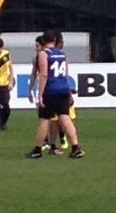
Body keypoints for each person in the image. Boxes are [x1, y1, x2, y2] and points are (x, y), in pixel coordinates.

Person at [26, 30, 85, 159]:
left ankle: (37, 150)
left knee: (44, 120)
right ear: (54, 40)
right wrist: (68, 91)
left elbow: (44, 74)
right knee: (65, 117)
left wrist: (40, 94)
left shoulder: (43, 54)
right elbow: (65, 74)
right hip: (63, 89)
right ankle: (76, 147)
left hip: (51, 90)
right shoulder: (61, 53)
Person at [0, 38, 15, 131]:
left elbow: (11, 68)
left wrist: (11, 82)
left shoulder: (6, 54)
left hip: (5, 84)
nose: (0, 50)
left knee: (6, 105)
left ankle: (4, 122)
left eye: (1, 48)